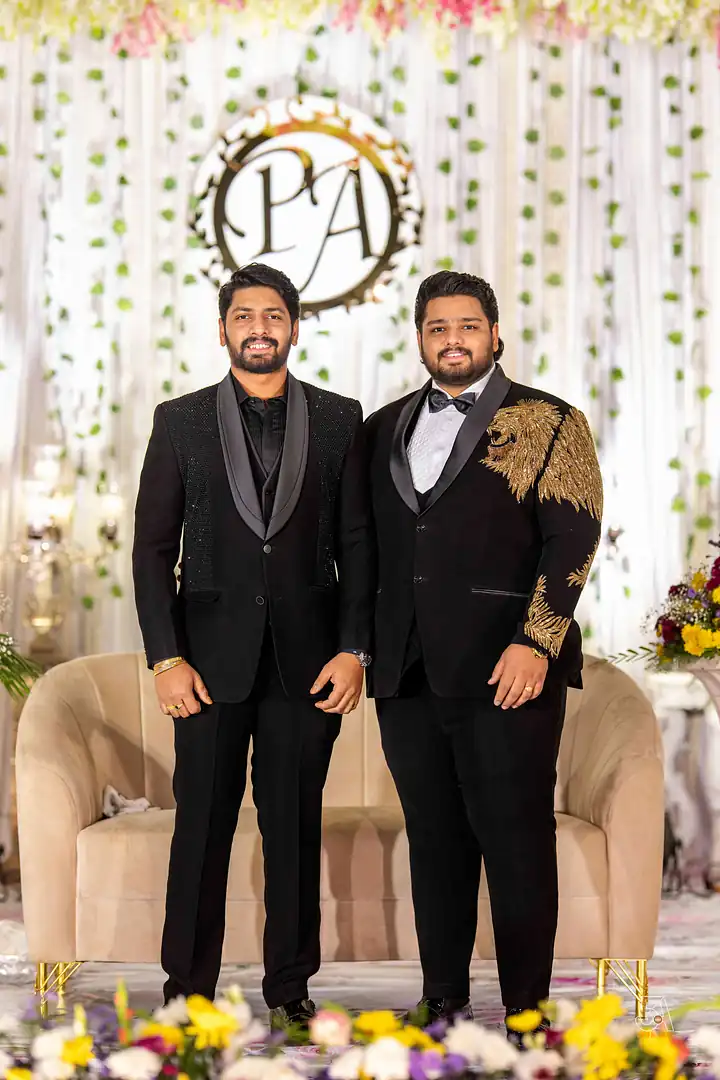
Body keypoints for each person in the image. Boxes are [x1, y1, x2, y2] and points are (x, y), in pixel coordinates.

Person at [132, 262, 373, 1030]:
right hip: (204, 665)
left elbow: (359, 546)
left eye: (273, 315)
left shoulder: (340, 419)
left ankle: (290, 991)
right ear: (223, 329)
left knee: (294, 829)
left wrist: (354, 650)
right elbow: (151, 550)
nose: (259, 328)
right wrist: (166, 658)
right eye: (244, 316)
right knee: (200, 829)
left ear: (295, 327)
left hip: (309, 665)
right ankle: (187, 992)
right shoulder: (179, 420)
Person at [364, 271, 602, 1036]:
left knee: (517, 842)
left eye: (468, 325)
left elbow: (573, 538)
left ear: (495, 335)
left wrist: (537, 642)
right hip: (406, 671)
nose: (453, 339)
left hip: (509, 672)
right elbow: (367, 548)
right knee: (434, 842)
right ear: (420, 338)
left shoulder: (552, 421)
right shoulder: (381, 428)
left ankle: (528, 1012)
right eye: (438, 327)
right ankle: (443, 999)